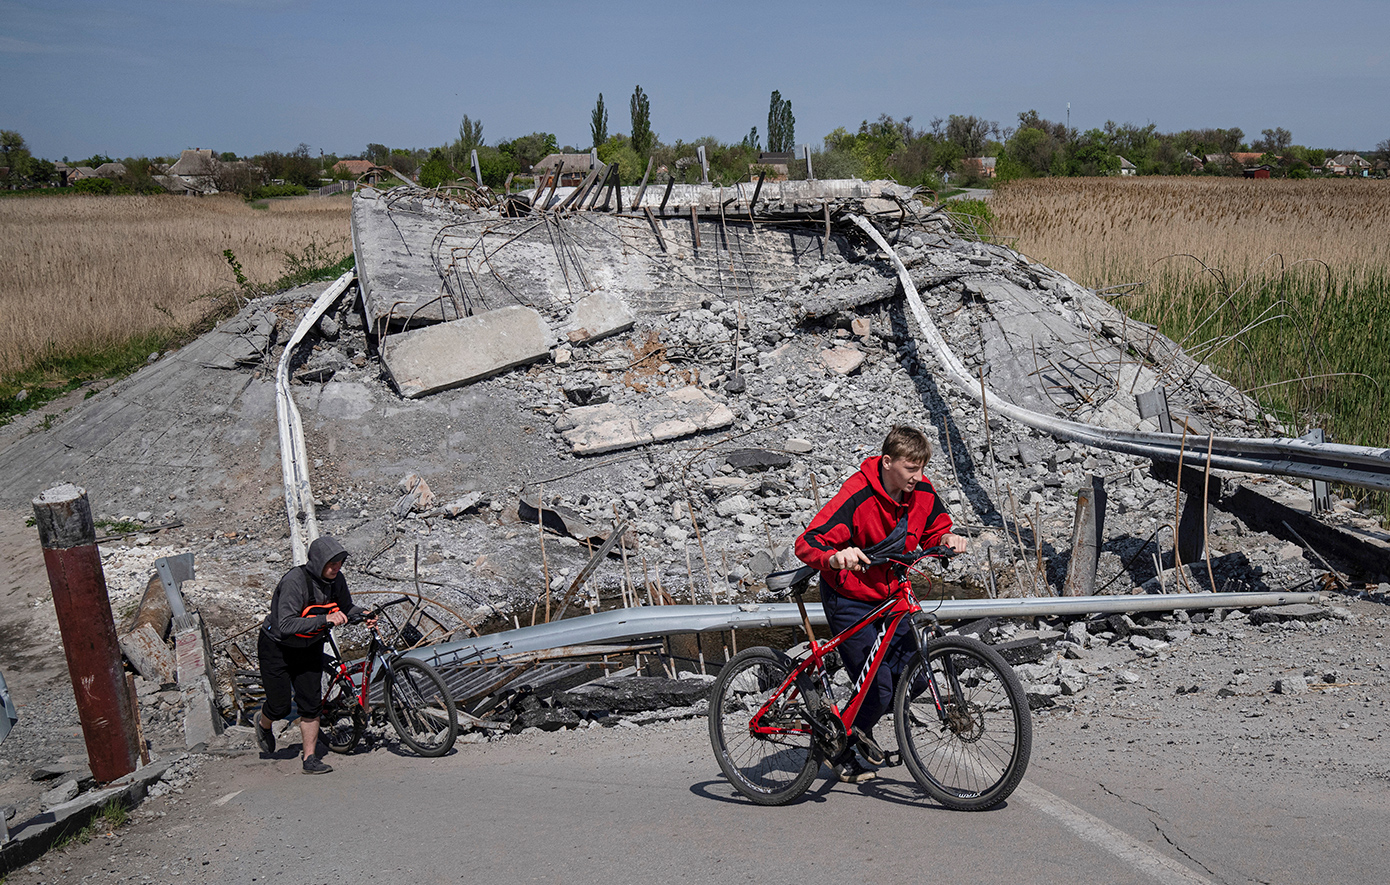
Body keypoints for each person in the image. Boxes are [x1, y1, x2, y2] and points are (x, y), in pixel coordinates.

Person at [794, 424, 967, 783]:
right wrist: (836, 557)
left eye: (922, 468)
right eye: (911, 468)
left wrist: (948, 536)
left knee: (915, 673)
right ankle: (839, 747)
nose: (918, 477)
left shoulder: (921, 492)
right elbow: (808, 541)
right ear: (888, 462)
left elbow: (936, 524)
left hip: (892, 594)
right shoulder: (857, 494)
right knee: (878, 686)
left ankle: (856, 727)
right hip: (850, 598)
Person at [256, 536, 371, 774]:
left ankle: (310, 759)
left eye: (339, 562)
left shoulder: (337, 579)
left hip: (310, 647)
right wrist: (325, 619)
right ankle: (263, 723)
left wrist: (364, 614)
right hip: (277, 647)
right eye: (331, 563)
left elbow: (346, 608)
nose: (336, 567)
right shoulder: (294, 582)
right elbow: (286, 625)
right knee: (280, 708)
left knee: (310, 703)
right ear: (318, 562)